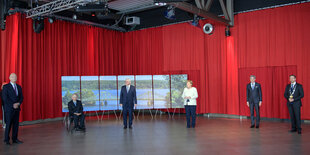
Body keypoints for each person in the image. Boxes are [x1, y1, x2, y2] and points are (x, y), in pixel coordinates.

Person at [2, 73, 24, 145]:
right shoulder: (6, 87)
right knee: (8, 124)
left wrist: (18, 103)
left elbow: (21, 97)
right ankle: (6, 140)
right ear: (9, 78)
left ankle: (15, 139)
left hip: (17, 109)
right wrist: (12, 105)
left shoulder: (19, 87)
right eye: (12, 77)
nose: (14, 78)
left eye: (15, 76)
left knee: (16, 124)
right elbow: (5, 99)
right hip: (9, 109)